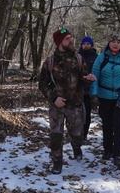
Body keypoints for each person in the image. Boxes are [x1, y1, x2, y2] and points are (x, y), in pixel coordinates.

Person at [39, 28, 96, 174]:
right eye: (67, 38)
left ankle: (76, 148)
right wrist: (54, 98)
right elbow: (42, 84)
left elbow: (83, 79)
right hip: (57, 105)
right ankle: (57, 162)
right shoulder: (50, 62)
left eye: (71, 37)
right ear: (59, 42)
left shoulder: (78, 59)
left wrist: (88, 80)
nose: (71, 40)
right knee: (56, 135)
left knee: (77, 134)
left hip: (75, 105)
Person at [90, 33, 120, 167]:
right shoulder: (101, 58)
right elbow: (94, 76)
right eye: (113, 41)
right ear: (108, 43)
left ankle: (118, 153)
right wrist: (93, 94)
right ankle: (107, 149)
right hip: (104, 97)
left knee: (119, 125)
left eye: (118, 42)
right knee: (107, 124)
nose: (115, 44)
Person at [78, 36, 98, 141]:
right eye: (84, 43)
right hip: (76, 89)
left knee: (87, 113)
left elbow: (98, 72)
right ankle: (76, 133)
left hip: (89, 90)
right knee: (77, 113)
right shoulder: (76, 56)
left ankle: (84, 134)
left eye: (88, 43)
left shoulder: (95, 57)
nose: (86, 45)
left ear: (91, 45)